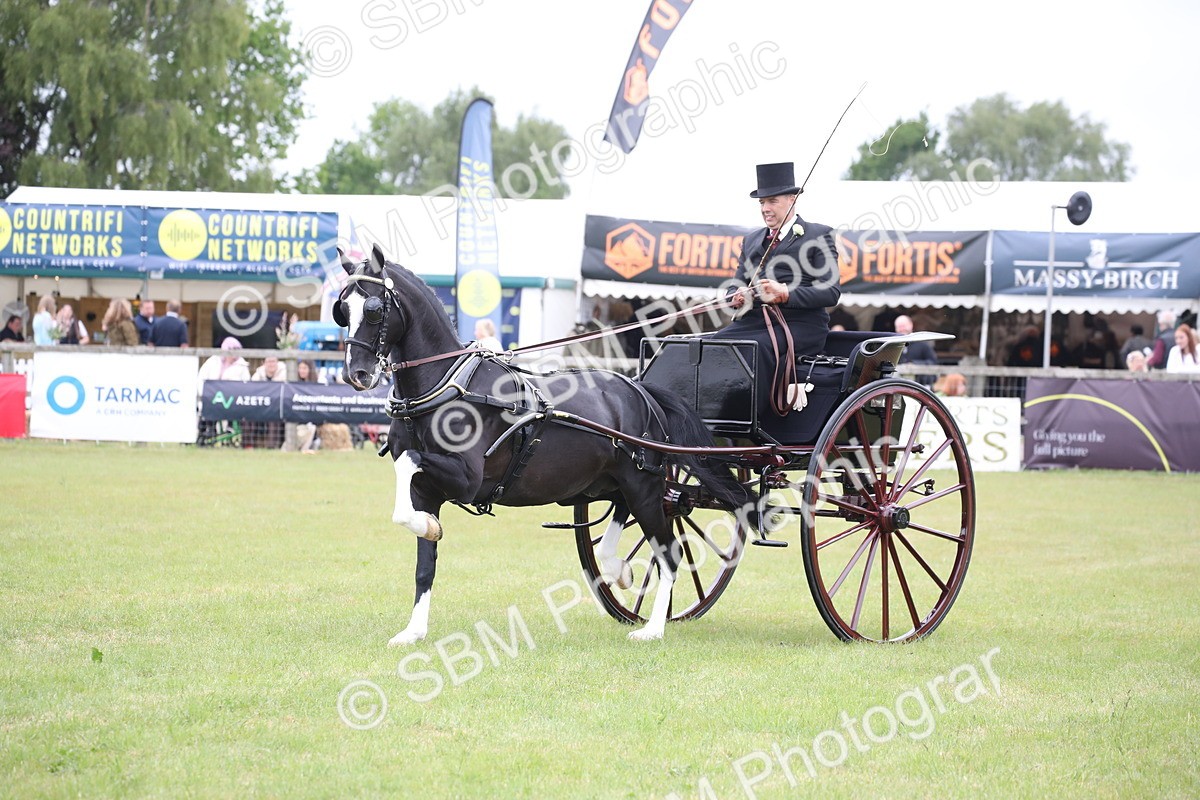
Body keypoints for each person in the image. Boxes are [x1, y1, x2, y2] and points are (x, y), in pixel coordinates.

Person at [712, 161, 841, 416]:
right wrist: (736, 297)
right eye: (761, 203)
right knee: (711, 345)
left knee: (754, 349)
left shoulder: (819, 235)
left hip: (801, 326)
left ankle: (751, 419)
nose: (765, 209)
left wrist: (786, 293)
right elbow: (735, 286)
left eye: (772, 201)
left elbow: (831, 292)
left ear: (792, 200)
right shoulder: (751, 241)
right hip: (752, 323)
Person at [895, 314, 939, 385]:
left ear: (911, 325)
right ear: (896, 329)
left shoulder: (923, 344)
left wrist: (914, 364)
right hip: (898, 384)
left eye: (904, 326)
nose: (902, 329)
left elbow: (933, 362)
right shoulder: (893, 346)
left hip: (921, 385)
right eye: (899, 327)